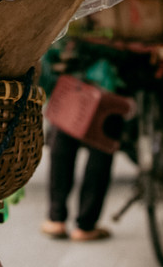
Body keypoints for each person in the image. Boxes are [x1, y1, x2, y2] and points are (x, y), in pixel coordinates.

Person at [40, 45, 124, 242]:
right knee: (101, 150)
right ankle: (85, 226)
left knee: (62, 145)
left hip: (74, 85)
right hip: (109, 88)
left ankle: (56, 219)